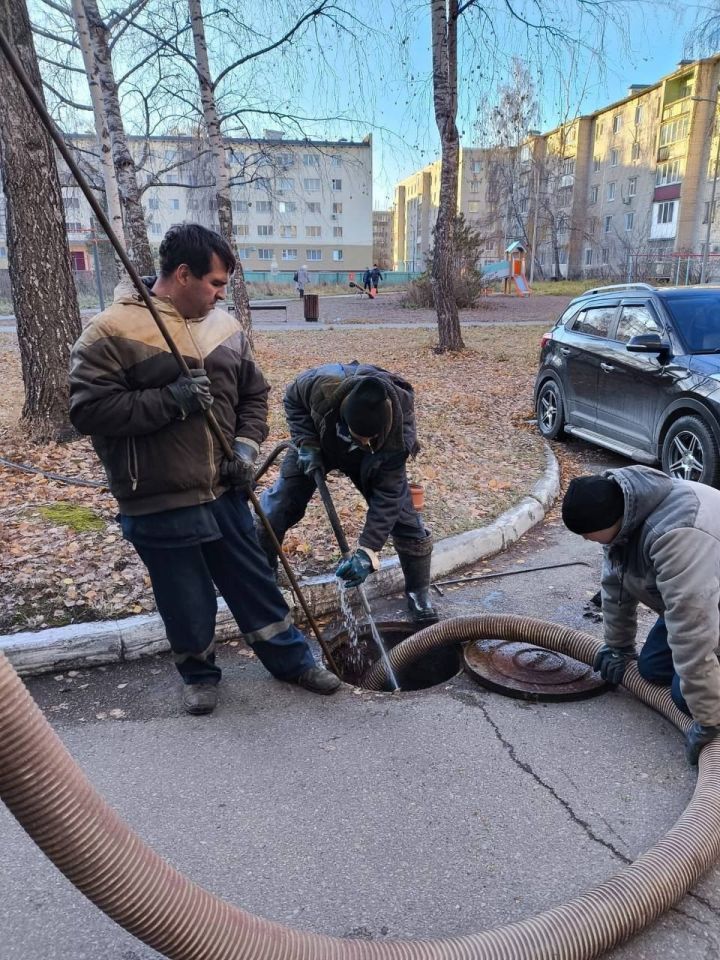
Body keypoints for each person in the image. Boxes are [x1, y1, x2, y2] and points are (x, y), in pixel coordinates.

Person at [69, 224, 340, 715]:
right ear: (182, 274)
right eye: (215, 284)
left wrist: (243, 451)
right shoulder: (111, 330)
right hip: (155, 493)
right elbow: (88, 412)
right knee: (183, 594)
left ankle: (292, 661)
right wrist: (170, 400)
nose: (220, 295)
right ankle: (198, 674)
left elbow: (253, 395)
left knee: (253, 580)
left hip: (224, 487)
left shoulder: (224, 328)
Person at [561, 466, 720, 764]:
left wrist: (709, 719)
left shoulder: (676, 535)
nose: (585, 539)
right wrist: (618, 647)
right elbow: (615, 586)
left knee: (685, 698)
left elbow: (692, 631)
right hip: (695, 596)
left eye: (587, 534)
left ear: (610, 522)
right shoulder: (623, 510)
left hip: (707, 603)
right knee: (651, 670)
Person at [256, 362, 437, 622]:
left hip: (375, 459)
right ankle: (265, 575)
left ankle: (419, 594)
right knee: (279, 504)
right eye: (357, 437)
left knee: (405, 520)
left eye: (369, 438)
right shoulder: (320, 385)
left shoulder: (397, 434)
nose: (362, 443)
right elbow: (293, 400)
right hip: (319, 440)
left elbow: (389, 495)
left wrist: (367, 551)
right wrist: (306, 443)